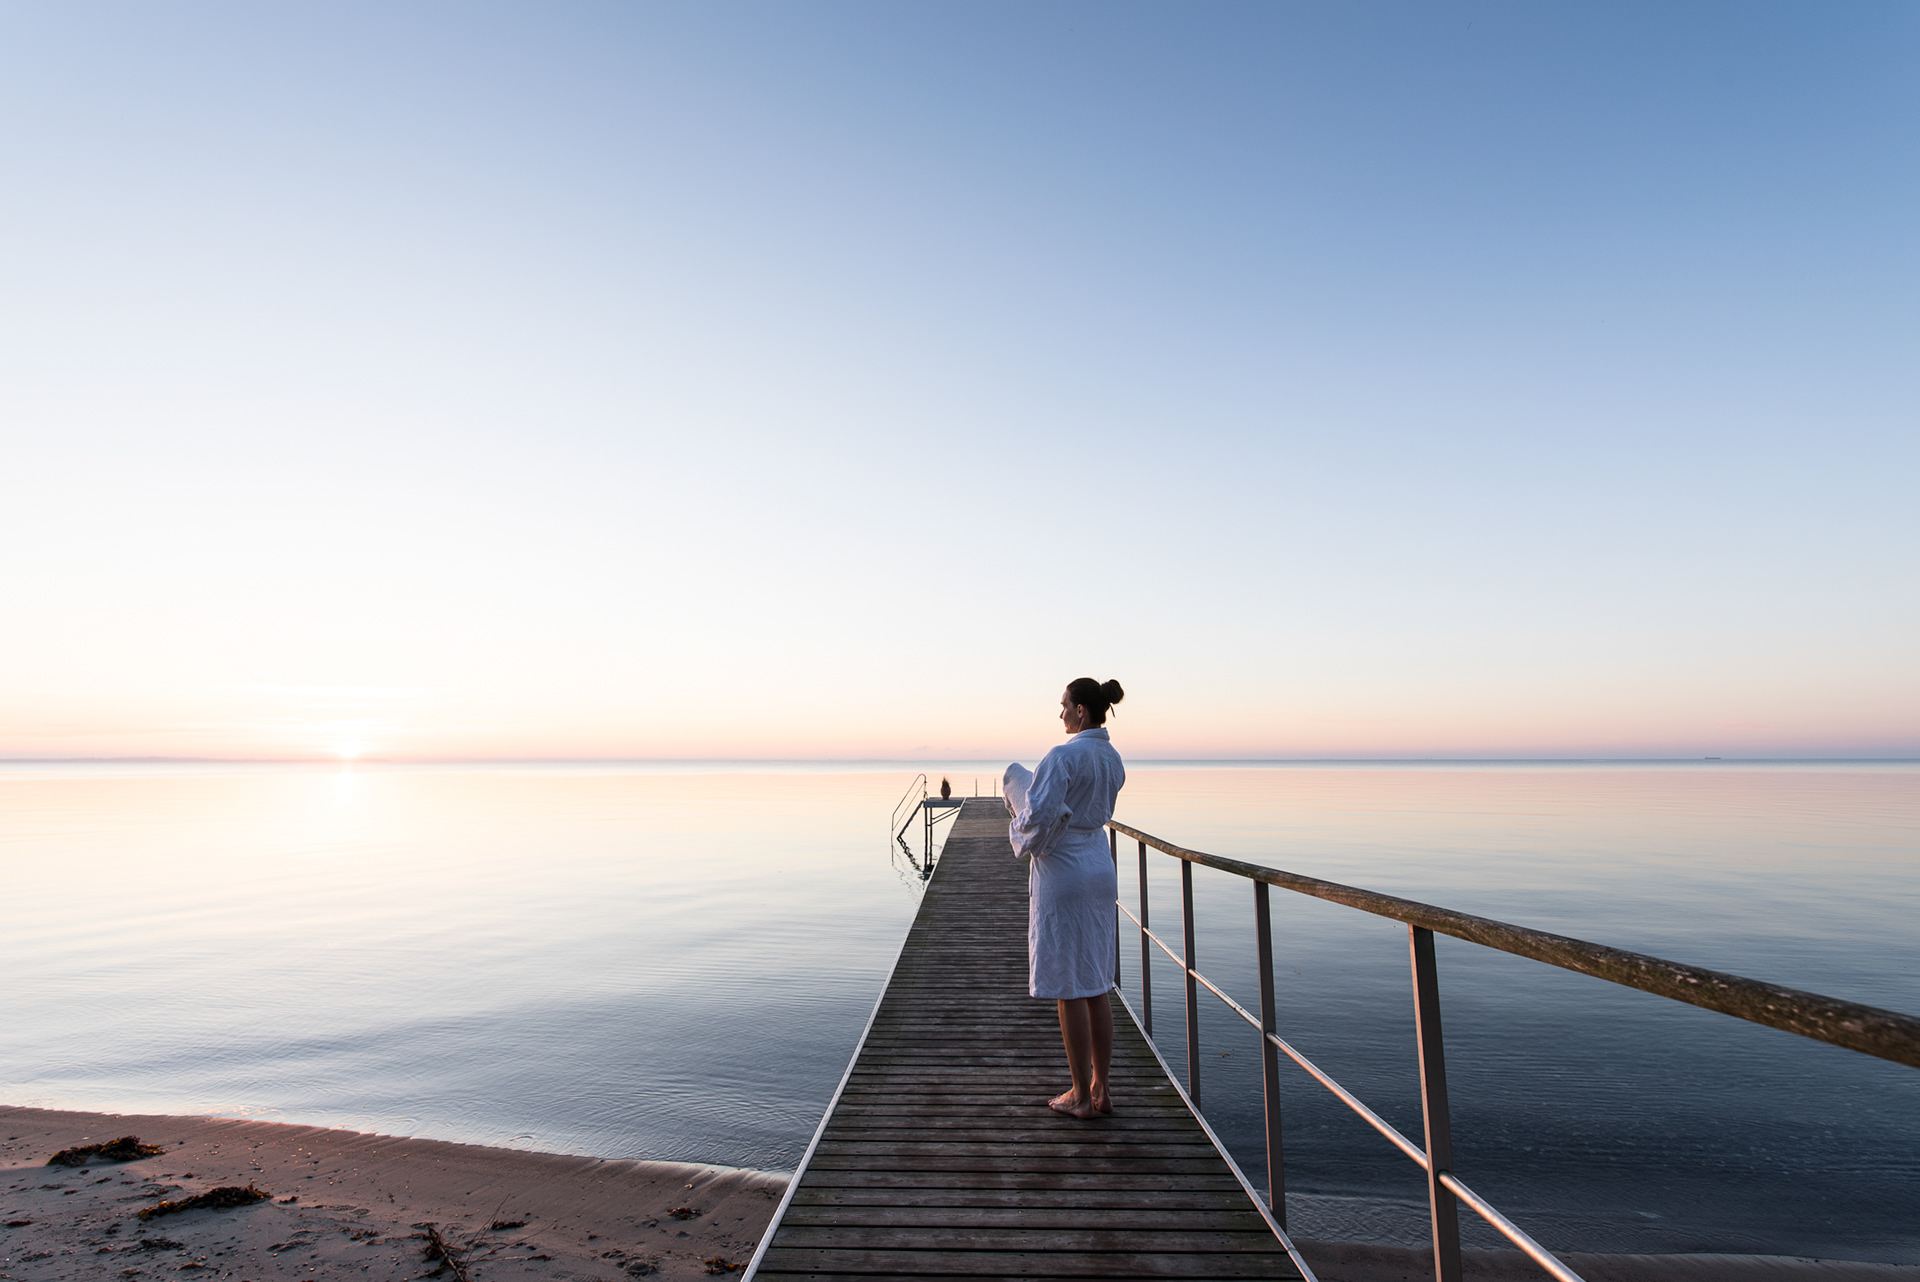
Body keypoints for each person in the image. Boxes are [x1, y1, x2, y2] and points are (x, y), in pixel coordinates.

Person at [1004, 677, 1126, 1119]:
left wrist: (1016, 824)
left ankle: (1078, 1094)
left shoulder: (1062, 756)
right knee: (1097, 983)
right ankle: (1101, 1087)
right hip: (1100, 866)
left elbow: (1037, 819)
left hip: (1066, 873)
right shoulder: (1112, 759)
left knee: (1069, 988)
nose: (1060, 714)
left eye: (1063, 706)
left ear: (1080, 711)